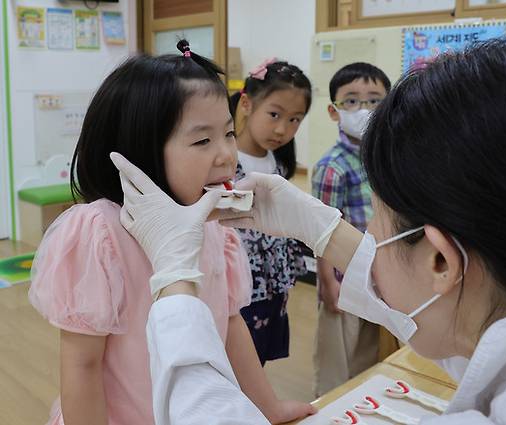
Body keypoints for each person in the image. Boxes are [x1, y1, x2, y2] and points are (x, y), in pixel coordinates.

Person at [113, 38, 506, 424]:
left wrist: (176, 283)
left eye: (376, 219)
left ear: (441, 260)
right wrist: (318, 226)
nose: (367, 233)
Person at [29, 41, 313, 425]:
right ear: (138, 151)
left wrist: (269, 408)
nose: (227, 155)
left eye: (228, 134)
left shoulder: (214, 226)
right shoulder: (100, 232)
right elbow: (82, 366)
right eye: (202, 140)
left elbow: (230, 327)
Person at [312, 62, 391, 395]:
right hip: (342, 281)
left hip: (381, 277)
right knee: (337, 360)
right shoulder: (332, 167)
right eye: (352, 101)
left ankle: (360, 402)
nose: (364, 109)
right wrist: (327, 282)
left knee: (368, 356)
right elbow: (320, 231)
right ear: (334, 111)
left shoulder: (386, 158)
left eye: (375, 100)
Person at [228, 58, 312, 365]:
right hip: (237, 279)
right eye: (274, 114)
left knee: (258, 355)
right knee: (235, 358)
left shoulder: (279, 162)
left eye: (294, 120)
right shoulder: (223, 157)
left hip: (273, 278)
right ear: (247, 103)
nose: (282, 129)